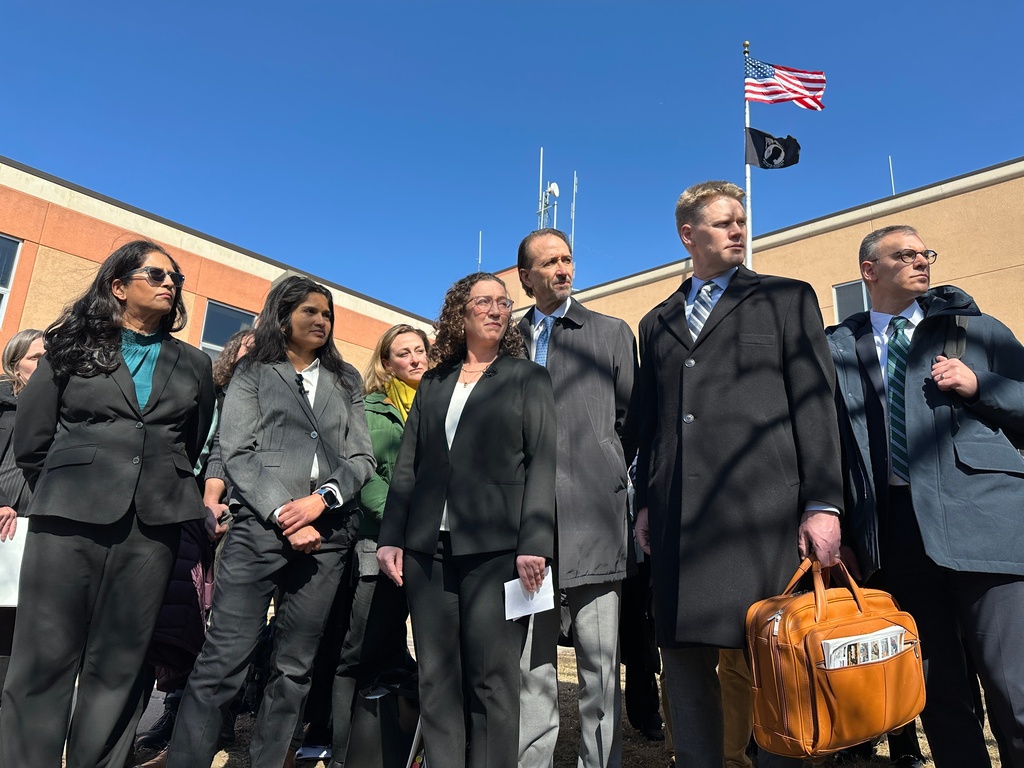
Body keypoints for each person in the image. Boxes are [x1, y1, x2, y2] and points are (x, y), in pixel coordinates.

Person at [632, 181, 844, 768]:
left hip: (763, 519)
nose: (738, 230)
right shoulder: (656, 321)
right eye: (724, 221)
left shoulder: (785, 298)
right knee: (685, 665)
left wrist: (824, 504)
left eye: (741, 221)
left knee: (775, 664)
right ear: (688, 234)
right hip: (678, 522)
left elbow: (816, 405)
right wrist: (646, 503)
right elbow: (652, 424)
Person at [0, 240, 215, 768]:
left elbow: (190, 442)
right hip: (66, 519)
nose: (170, 283)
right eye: (156, 274)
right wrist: (72, 484)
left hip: (153, 527)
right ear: (118, 286)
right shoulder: (69, 345)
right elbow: (32, 440)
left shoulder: (194, 363)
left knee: (120, 662)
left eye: (175, 277)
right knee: (44, 656)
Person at [156, 275, 375, 768]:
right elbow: (238, 451)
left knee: (294, 667)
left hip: (328, 534)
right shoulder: (253, 372)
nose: (321, 320)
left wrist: (321, 501)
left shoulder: (346, 379)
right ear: (282, 316)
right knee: (224, 659)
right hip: (258, 529)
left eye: (327, 314)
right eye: (310, 311)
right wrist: (285, 512)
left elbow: (361, 457)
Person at [826, 224, 1024, 767]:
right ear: (869, 271)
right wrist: (844, 529)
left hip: (985, 523)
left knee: (1014, 687)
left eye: (925, 253)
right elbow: (828, 447)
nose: (922, 262)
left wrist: (981, 385)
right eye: (906, 254)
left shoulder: (976, 329)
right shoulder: (838, 348)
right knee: (937, 693)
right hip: (895, 535)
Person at [377, 272, 556, 768]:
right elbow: (408, 465)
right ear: (460, 313)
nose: (496, 310)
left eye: (504, 303)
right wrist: (391, 537)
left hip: (499, 549)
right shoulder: (434, 382)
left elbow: (543, 462)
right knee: (436, 677)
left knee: (493, 678)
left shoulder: (528, 378)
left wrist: (535, 542)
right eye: (483, 302)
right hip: (427, 550)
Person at [515, 228, 639, 768]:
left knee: (599, 666)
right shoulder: (508, 341)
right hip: (523, 529)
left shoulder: (611, 333)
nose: (563, 269)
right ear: (526, 277)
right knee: (530, 666)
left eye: (567, 259)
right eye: (549, 263)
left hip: (594, 520)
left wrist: (603, 467)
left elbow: (632, 420)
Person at [325, 323, 428, 767]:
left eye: (420, 350)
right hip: (379, 541)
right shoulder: (370, 408)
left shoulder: (439, 403)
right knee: (363, 647)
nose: (415, 359)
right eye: (403, 353)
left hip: (430, 544)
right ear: (386, 363)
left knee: (410, 653)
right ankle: (345, 749)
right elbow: (365, 476)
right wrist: (405, 523)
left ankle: (400, 747)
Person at [0, 329, 44, 695]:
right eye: (36, 358)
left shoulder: (62, 407)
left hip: (38, 524)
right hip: (5, 518)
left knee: (19, 618)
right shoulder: (3, 403)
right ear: (16, 365)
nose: (45, 365)